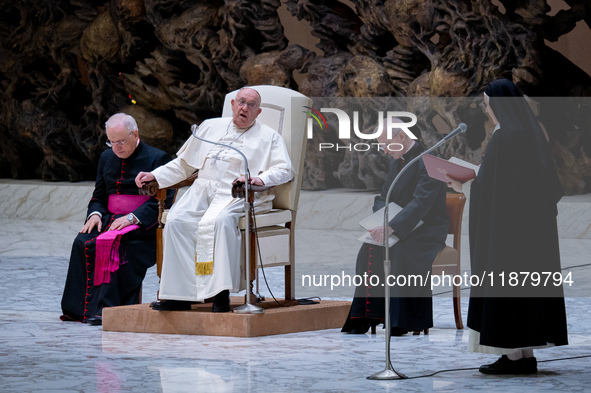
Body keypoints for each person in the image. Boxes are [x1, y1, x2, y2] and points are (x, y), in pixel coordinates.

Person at [446, 79, 568, 374]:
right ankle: (524, 356)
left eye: (488, 104)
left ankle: (514, 358)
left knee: (508, 292)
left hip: (509, 233)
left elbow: (502, 187)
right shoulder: (530, 132)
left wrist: (467, 178)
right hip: (530, 232)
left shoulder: (505, 137)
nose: (487, 110)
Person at [135, 87, 293, 312]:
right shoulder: (209, 127)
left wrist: (257, 178)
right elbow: (184, 165)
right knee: (177, 220)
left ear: (258, 112)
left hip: (238, 194)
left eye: (251, 105)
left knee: (221, 222)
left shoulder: (269, 137)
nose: (244, 108)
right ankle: (179, 296)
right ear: (232, 105)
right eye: (241, 102)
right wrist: (156, 176)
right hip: (202, 190)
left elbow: (284, 170)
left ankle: (220, 294)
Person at [61, 113, 172, 325]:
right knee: (81, 242)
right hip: (109, 219)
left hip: (143, 226)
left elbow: (165, 200)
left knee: (115, 245)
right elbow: (99, 195)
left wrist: (133, 218)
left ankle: (109, 309)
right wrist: (94, 214)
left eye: (121, 141)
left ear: (135, 134)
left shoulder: (158, 158)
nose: (116, 148)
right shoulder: (106, 158)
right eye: (111, 142)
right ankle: (78, 310)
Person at [341, 117, 449, 335]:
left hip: (426, 230)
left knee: (398, 251)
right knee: (368, 249)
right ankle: (366, 317)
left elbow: (421, 203)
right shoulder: (396, 162)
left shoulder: (431, 161)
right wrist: (380, 221)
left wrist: (391, 227)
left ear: (402, 136)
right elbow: (384, 196)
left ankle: (401, 322)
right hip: (398, 225)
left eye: (386, 144)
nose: (384, 151)